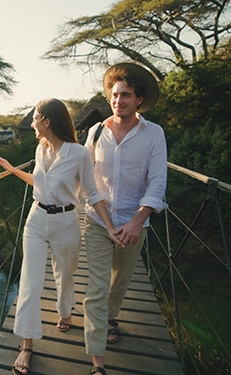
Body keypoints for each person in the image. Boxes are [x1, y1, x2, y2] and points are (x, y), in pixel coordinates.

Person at [0, 98, 120, 375]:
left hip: (66, 221)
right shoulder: (40, 149)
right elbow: (39, 182)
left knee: (65, 273)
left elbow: (92, 192)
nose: (32, 123)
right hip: (36, 220)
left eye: (35, 118)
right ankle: (26, 346)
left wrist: (109, 226)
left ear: (47, 121)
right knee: (29, 282)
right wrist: (13, 170)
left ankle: (64, 311)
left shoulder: (78, 153)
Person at [82, 63, 168, 375]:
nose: (119, 100)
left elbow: (158, 181)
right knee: (96, 287)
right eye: (115, 95)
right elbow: (83, 176)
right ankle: (97, 361)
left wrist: (138, 219)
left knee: (119, 282)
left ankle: (112, 317)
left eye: (126, 95)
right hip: (97, 222)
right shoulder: (96, 132)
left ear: (139, 100)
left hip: (134, 224)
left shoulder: (154, 134)